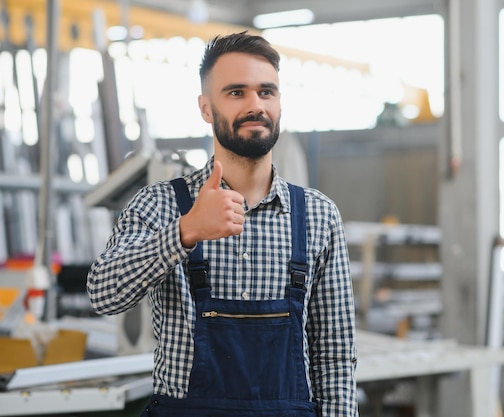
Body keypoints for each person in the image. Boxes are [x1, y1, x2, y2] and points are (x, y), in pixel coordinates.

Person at [87, 31, 358, 416]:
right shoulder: (161, 204)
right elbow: (103, 293)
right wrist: (186, 231)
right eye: (236, 93)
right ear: (206, 108)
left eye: (267, 92)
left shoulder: (318, 215)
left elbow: (334, 355)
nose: (255, 105)